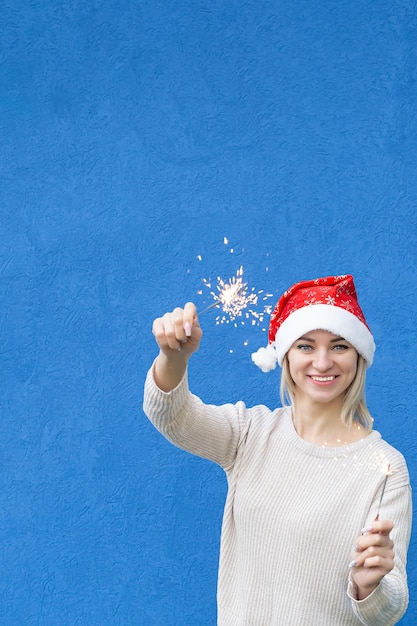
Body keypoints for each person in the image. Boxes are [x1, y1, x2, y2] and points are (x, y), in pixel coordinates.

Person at [143, 274, 412, 626]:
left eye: (339, 346)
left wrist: (369, 588)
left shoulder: (384, 468)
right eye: (305, 346)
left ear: (359, 357)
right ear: (285, 356)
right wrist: (173, 359)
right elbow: (172, 417)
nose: (322, 362)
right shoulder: (250, 433)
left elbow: (390, 609)